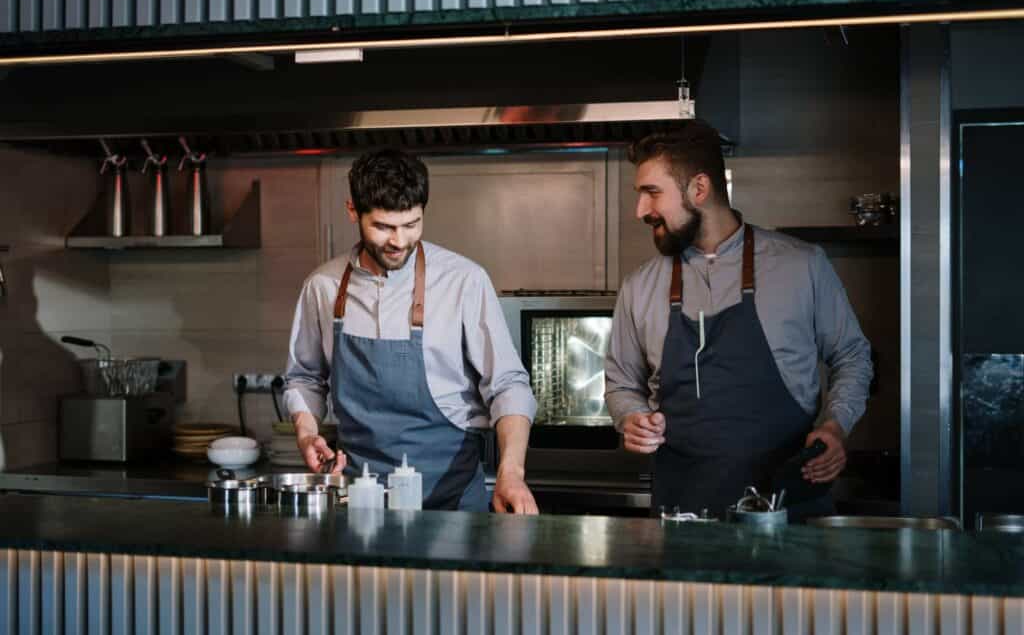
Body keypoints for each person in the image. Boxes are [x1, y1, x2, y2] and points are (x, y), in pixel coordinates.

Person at [604, 121, 873, 521]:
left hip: (786, 514)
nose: (640, 210)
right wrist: (630, 418)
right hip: (683, 516)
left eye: (652, 193)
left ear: (699, 188)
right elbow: (622, 383)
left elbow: (852, 356)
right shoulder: (640, 286)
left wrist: (836, 426)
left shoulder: (802, 266)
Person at [283, 149, 538, 513]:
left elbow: (508, 385)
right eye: (384, 227)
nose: (399, 241)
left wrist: (511, 472)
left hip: (450, 504)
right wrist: (307, 433)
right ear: (353, 211)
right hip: (359, 503)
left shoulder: (463, 281)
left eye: (412, 224)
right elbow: (305, 378)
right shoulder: (323, 287)